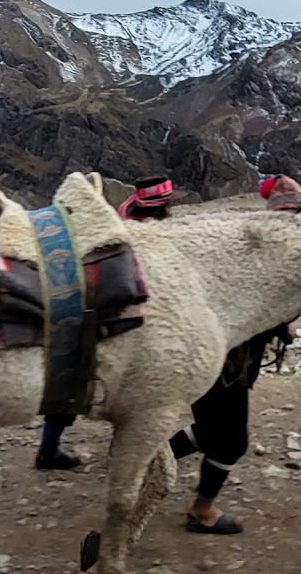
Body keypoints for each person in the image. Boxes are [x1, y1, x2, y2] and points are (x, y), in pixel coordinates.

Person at [172, 174, 301, 534]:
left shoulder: (259, 253)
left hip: (217, 356)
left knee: (209, 432)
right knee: (231, 441)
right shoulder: (266, 261)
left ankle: (144, 457)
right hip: (225, 361)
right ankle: (201, 510)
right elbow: (250, 308)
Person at [35, 175, 189, 470]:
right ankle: (126, 450)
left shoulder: (115, 230)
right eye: (166, 207)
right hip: (121, 323)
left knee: (71, 381)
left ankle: (49, 447)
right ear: (155, 210)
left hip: (99, 317)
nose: (170, 213)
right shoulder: (139, 240)